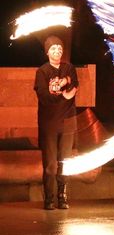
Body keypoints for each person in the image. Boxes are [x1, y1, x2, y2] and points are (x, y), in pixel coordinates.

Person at [34, 35, 78, 210]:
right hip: (49, 123)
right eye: (53, 49)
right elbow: (44, 97)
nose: (57, 51)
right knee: (51, 164)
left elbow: (75, 83)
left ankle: (62, 196)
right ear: (47, 52)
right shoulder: (42, 72)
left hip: (68, 122)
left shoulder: (68, 68)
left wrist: (67, 81)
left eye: (59, 48)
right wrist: (62, 94)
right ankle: (49, 198)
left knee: (64, 162)